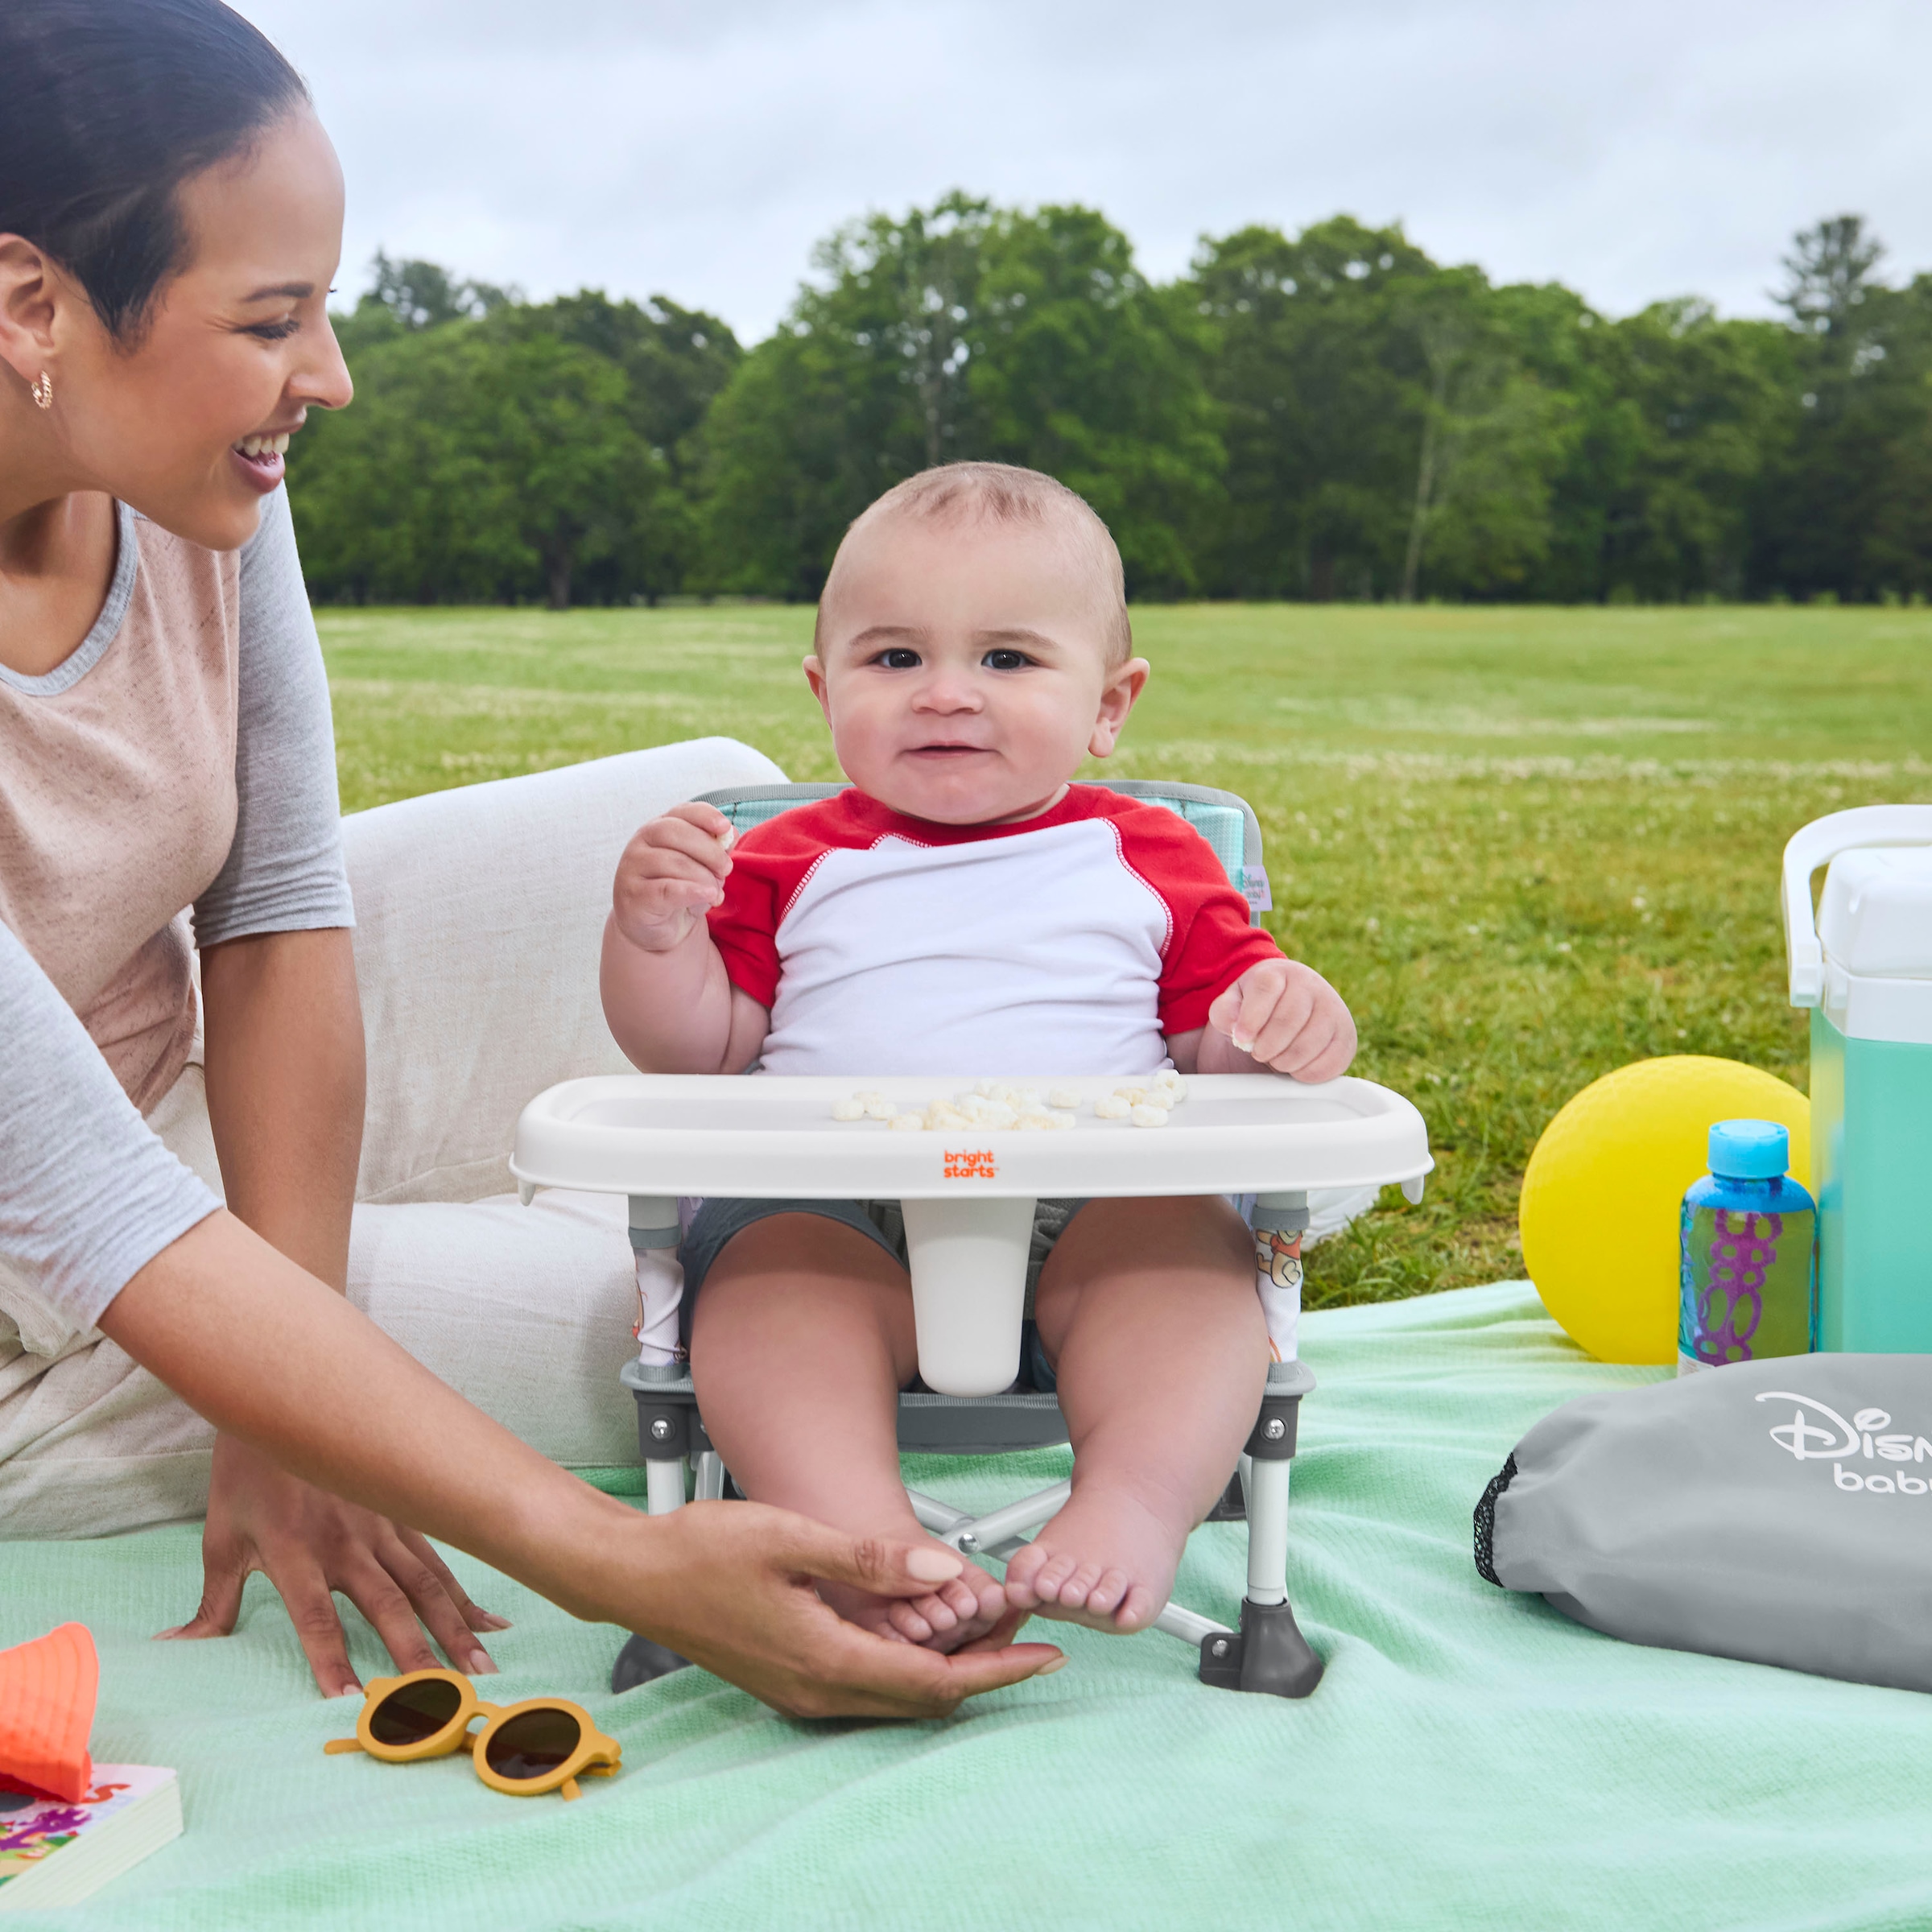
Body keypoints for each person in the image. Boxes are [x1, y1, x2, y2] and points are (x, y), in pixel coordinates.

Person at [0, 0, 1059, 1718]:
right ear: (33, 302)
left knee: (721, 820)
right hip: (37, 1271)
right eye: (273, 320)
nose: (329, 375)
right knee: (642, 1332)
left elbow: (270, 908)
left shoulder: (192, 474)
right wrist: (605, 1553)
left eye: (322, 307)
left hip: (148, 1060)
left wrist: (289, 1379)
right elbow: (83, 1196)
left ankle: (1025, 1180)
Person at [601, 462, 1357, 1643]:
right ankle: (864, 1544)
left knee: (1189, 1263)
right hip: (832, 1204)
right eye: (895, 658)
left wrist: (1283, 1015)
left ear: (1110, 704)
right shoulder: (779, 861)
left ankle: (1135, 1504)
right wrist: (653, 938)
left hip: (1092, 1204)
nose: (946, 695)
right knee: (764, 1293)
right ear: (824, 687)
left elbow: (1224, 1049)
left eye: (1006, 659)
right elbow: (695, 1049)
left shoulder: (1149, 855)